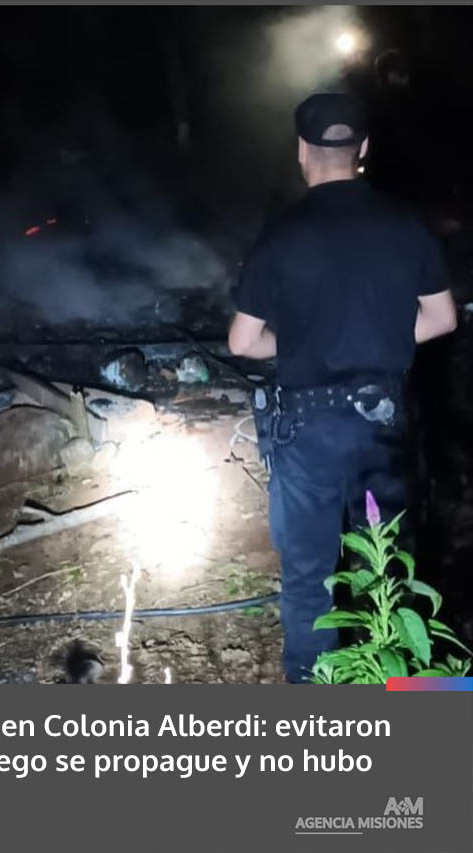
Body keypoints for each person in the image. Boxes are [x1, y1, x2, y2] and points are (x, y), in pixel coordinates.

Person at [228, 93, 457, 684]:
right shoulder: (405, 225)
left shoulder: (281, 234)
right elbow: (441, 319)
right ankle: (410, 700)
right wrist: (378, 337)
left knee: (310, 578)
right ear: (364, 149)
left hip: (307, 430)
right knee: (391, 569)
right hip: (383, 422)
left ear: (302, 152)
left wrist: (303, 342)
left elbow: (243, 341)